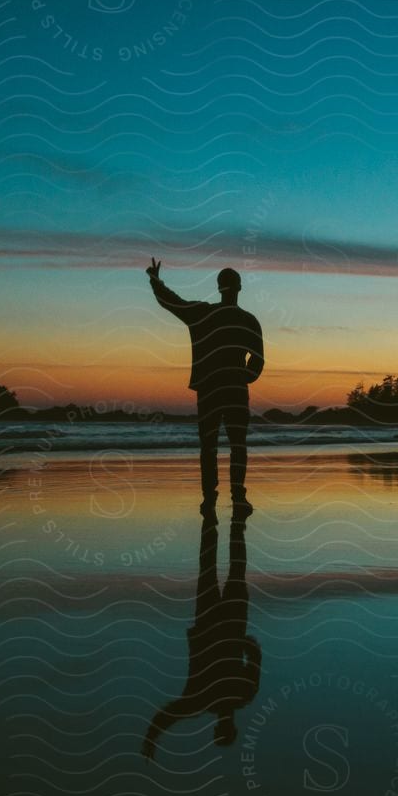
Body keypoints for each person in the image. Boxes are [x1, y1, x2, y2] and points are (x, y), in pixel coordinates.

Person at [146, 259, 264, 514]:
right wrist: (244, 377)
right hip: (234, 391)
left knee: (209, 446)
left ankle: (210, 499)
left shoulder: (203, 313)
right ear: (239, 288)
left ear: (219, 287)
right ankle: (237, 497)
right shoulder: (248, 320)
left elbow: (172, 302)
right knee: (237, 445)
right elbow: (258, 360)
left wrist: (156, 282)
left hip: (209, 390)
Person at [142, 509, 259, 758]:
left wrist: (151, 738)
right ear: (227, 726)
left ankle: (220, 517)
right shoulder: (223, 698)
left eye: (222, 727)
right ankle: (227, 518)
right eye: (225, 727)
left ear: (221, 726)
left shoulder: (209, 700)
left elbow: (168, 716)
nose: (223, 724)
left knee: (217, 568)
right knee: (223, 569)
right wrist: (242, 643)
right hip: (226, 626)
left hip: (216, 626)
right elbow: (255, 654)